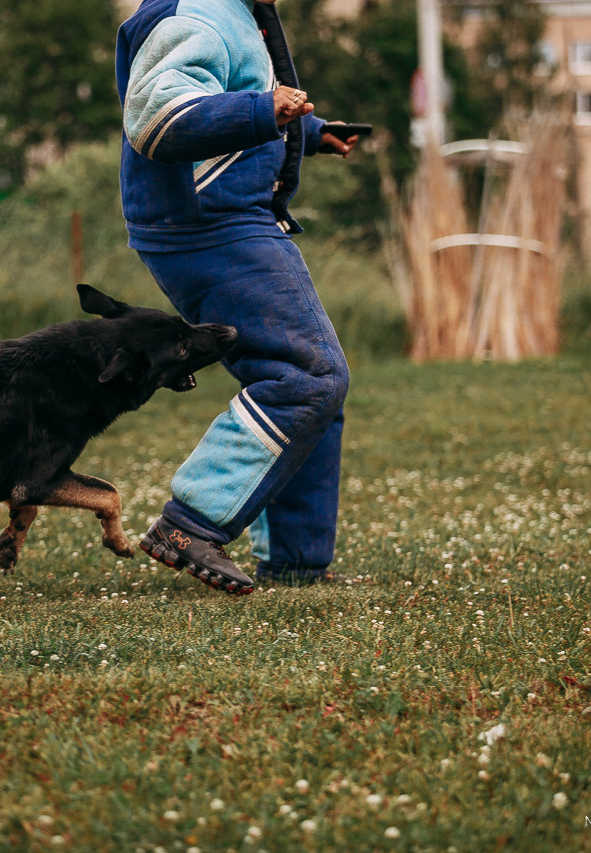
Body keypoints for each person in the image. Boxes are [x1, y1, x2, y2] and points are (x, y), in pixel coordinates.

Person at [117, 0, 361, 594]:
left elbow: (241, 89)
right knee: (305, 378)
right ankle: (188, 525)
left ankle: (298, 562)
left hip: (228, 219)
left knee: (314, 388)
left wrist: (309, 130)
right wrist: (262, 109)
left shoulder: (237, 12)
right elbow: (158, 115)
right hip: (207, 226)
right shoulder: (194, 15)